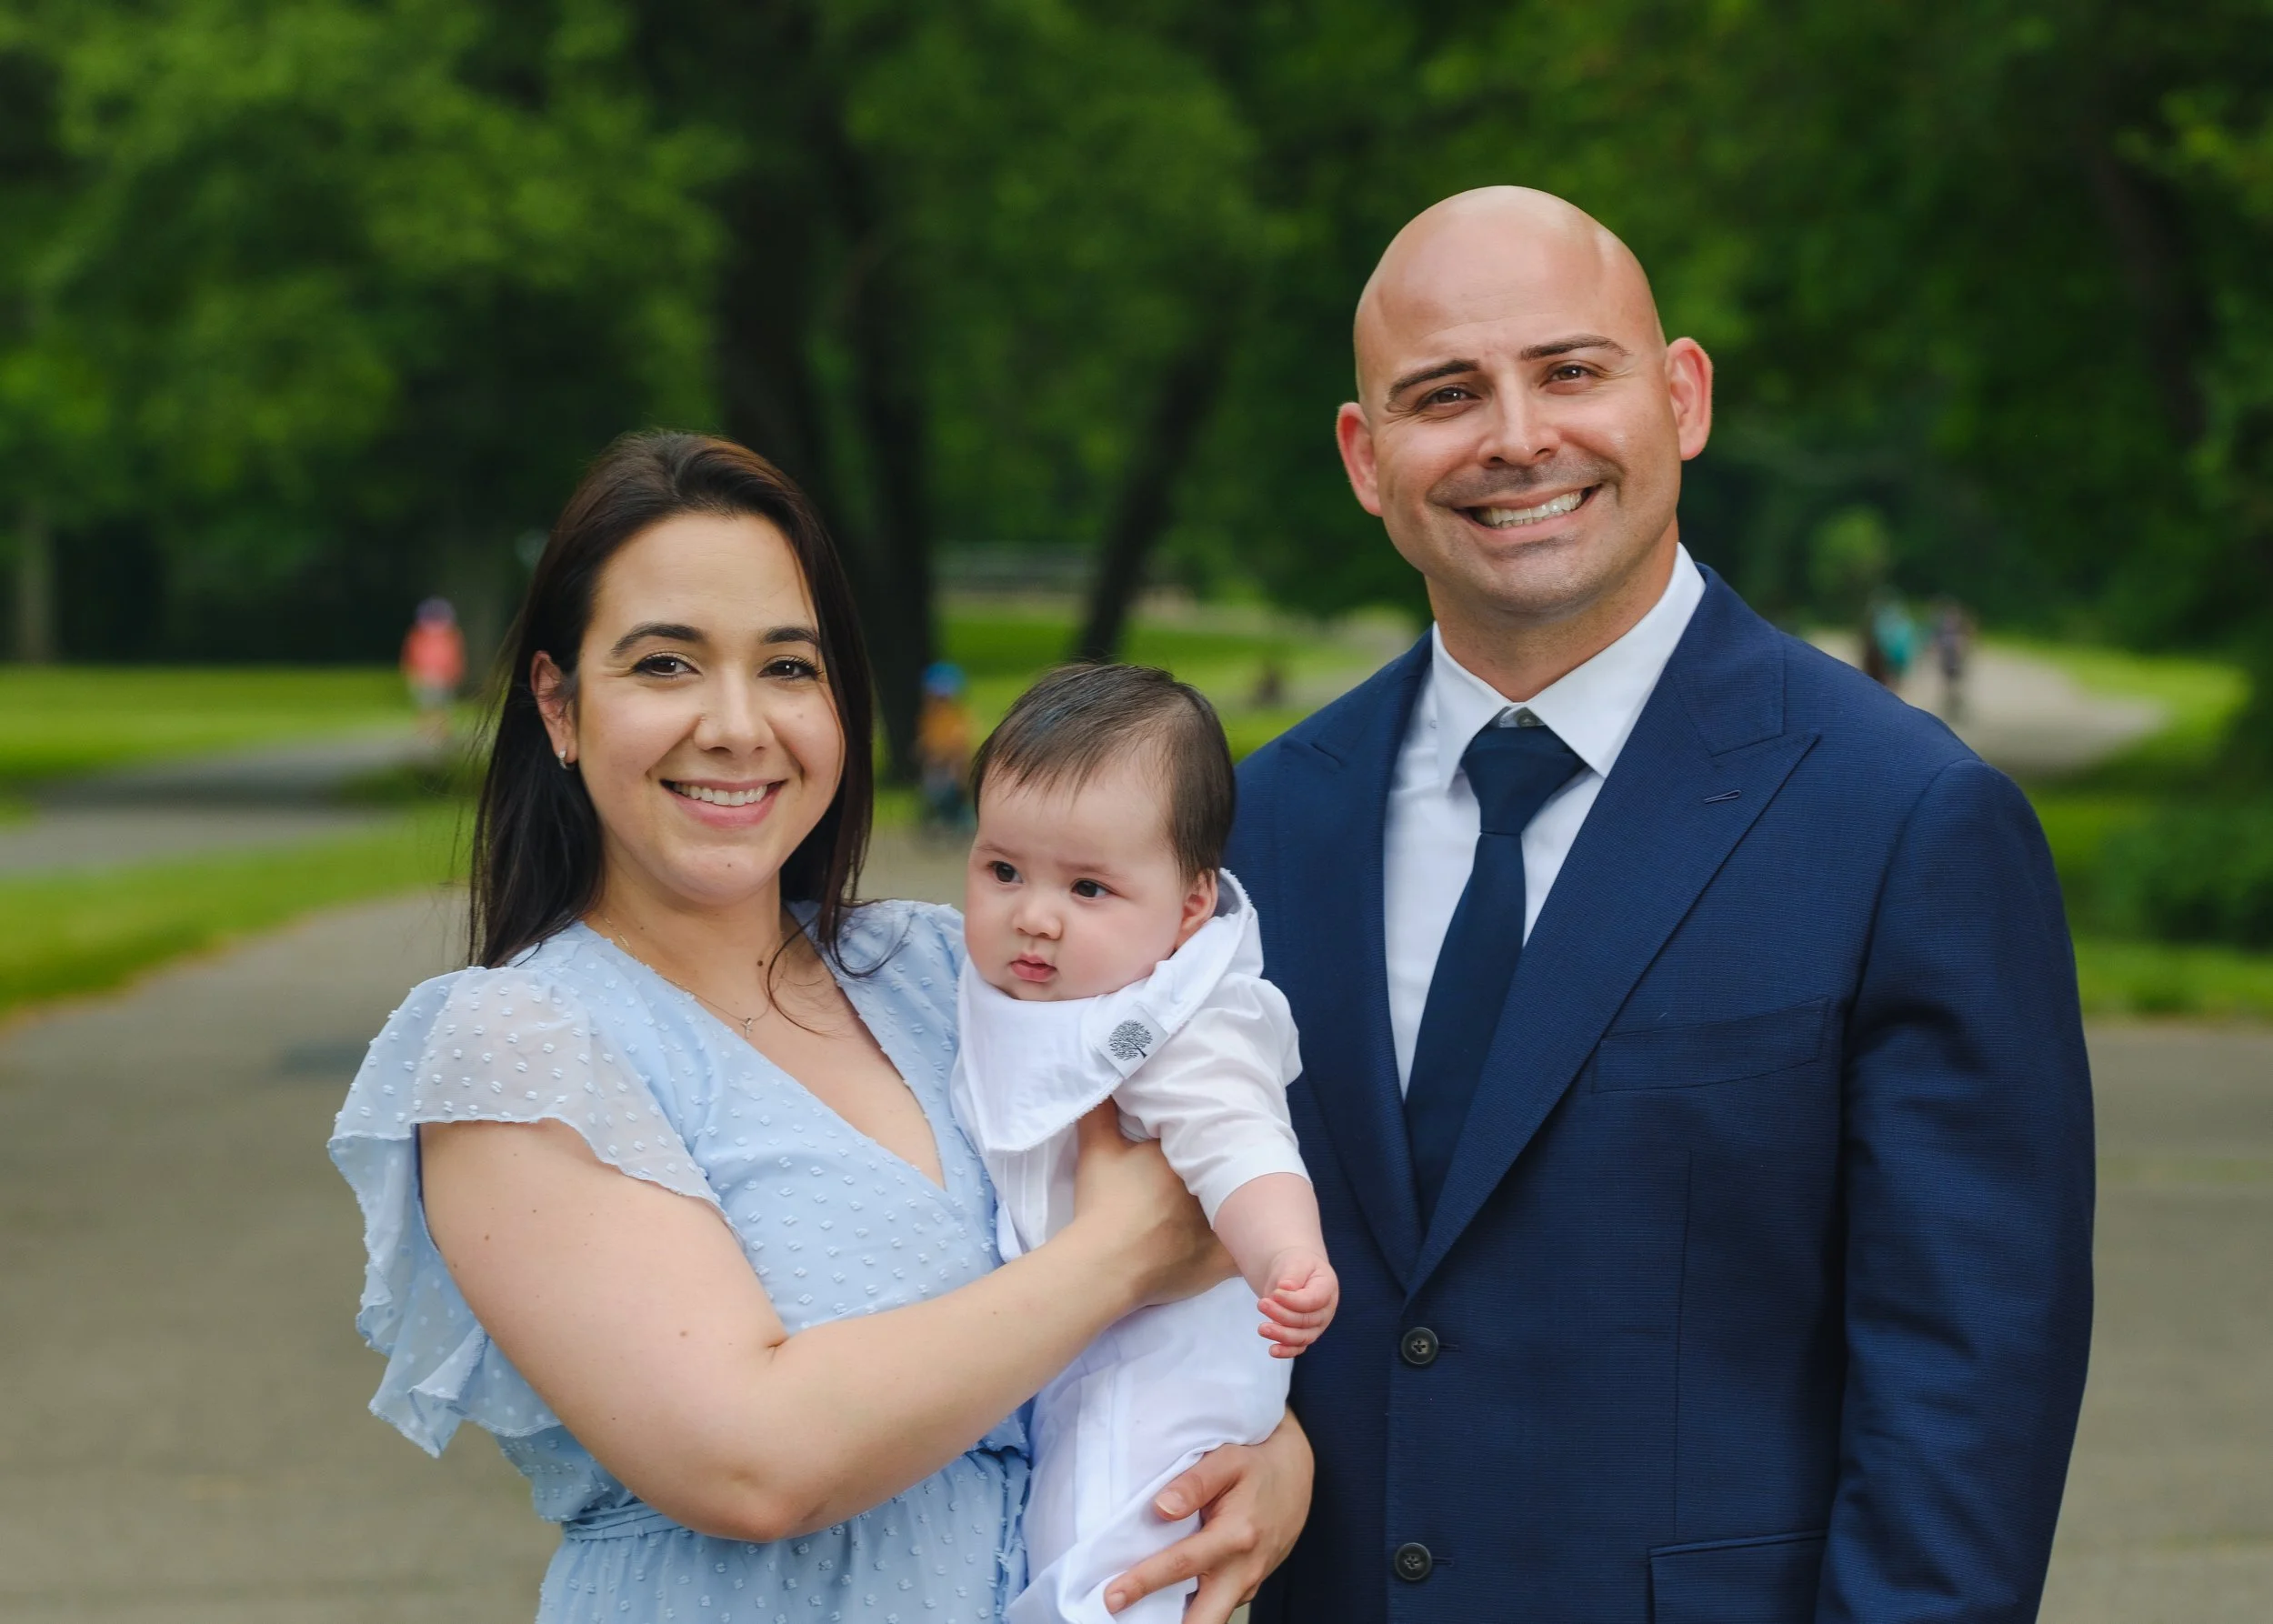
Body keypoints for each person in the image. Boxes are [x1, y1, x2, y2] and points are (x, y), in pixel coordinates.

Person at [1227, 188, 2093, 1621]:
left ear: (1679, 396)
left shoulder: (1906, 823)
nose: (1516, 438)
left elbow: (1966, 1395)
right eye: (1446, 395)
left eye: (1572, 371)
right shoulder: (1261, 822)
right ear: (1365, 457)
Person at [330, 433, 1312, 1624]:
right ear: (560, 704)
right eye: (665, 664)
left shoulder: (950, 969)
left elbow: (1206, 1233)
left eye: (788, 668)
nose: (738, 725)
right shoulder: (523, 1047)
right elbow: (754, 1459)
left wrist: (1270, 1455)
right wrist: (1120, 1250)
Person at [951, 664, 1336, 1624]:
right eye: (1003, 870)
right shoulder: (1007, 983)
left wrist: (1286, 1257)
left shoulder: (1182, 1021)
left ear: (1192, 906)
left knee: (1110, 1560)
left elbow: (1240, 1143)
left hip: (1168, 1358)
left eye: (1087, 887)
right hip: (1073, 1339)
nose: (1034, 915)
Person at [917, 659, 977, 837]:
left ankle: (961, 820)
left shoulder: (956, 716)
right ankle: (943, 820)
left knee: (952, 793)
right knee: (935, 792)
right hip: (937, 764)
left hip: (952, 763)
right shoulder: (930, 716)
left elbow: (959, 743)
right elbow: (928, 740)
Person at [400, 595, 466, 745]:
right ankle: (425, 733)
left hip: (444, 676)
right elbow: (411, 655)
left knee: (442, 706)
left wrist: (455, 672)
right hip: (425, 676)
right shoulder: (418, 635)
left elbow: (456, 655)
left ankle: (441, 733)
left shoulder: (451, 636)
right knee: (426, 705)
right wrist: (412, 673)